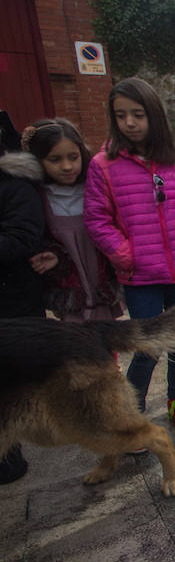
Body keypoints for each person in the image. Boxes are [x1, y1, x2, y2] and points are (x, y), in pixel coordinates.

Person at [84, 77, 175, 430]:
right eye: (121, 115)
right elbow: (96, 219)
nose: (129, 123)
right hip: (140, 276)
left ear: (154, 117)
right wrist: (125, 254)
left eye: (138, 114)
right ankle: (133, 410)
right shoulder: (103, 166)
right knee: (147, 346)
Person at [21, 119, 124, 322]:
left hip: (101, 279)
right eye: (55, 159)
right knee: (76, 340)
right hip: (69, 287)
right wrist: (55, 256)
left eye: (73, 157)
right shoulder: (37, 196)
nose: (67, 166)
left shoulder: (95, 186)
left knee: (108, 338)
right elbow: (38, 238)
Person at [0, 132, 45, 484]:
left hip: (12, 299)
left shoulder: (15, 184)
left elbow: (22, 235)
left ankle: (8, 452)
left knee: (13, 378)